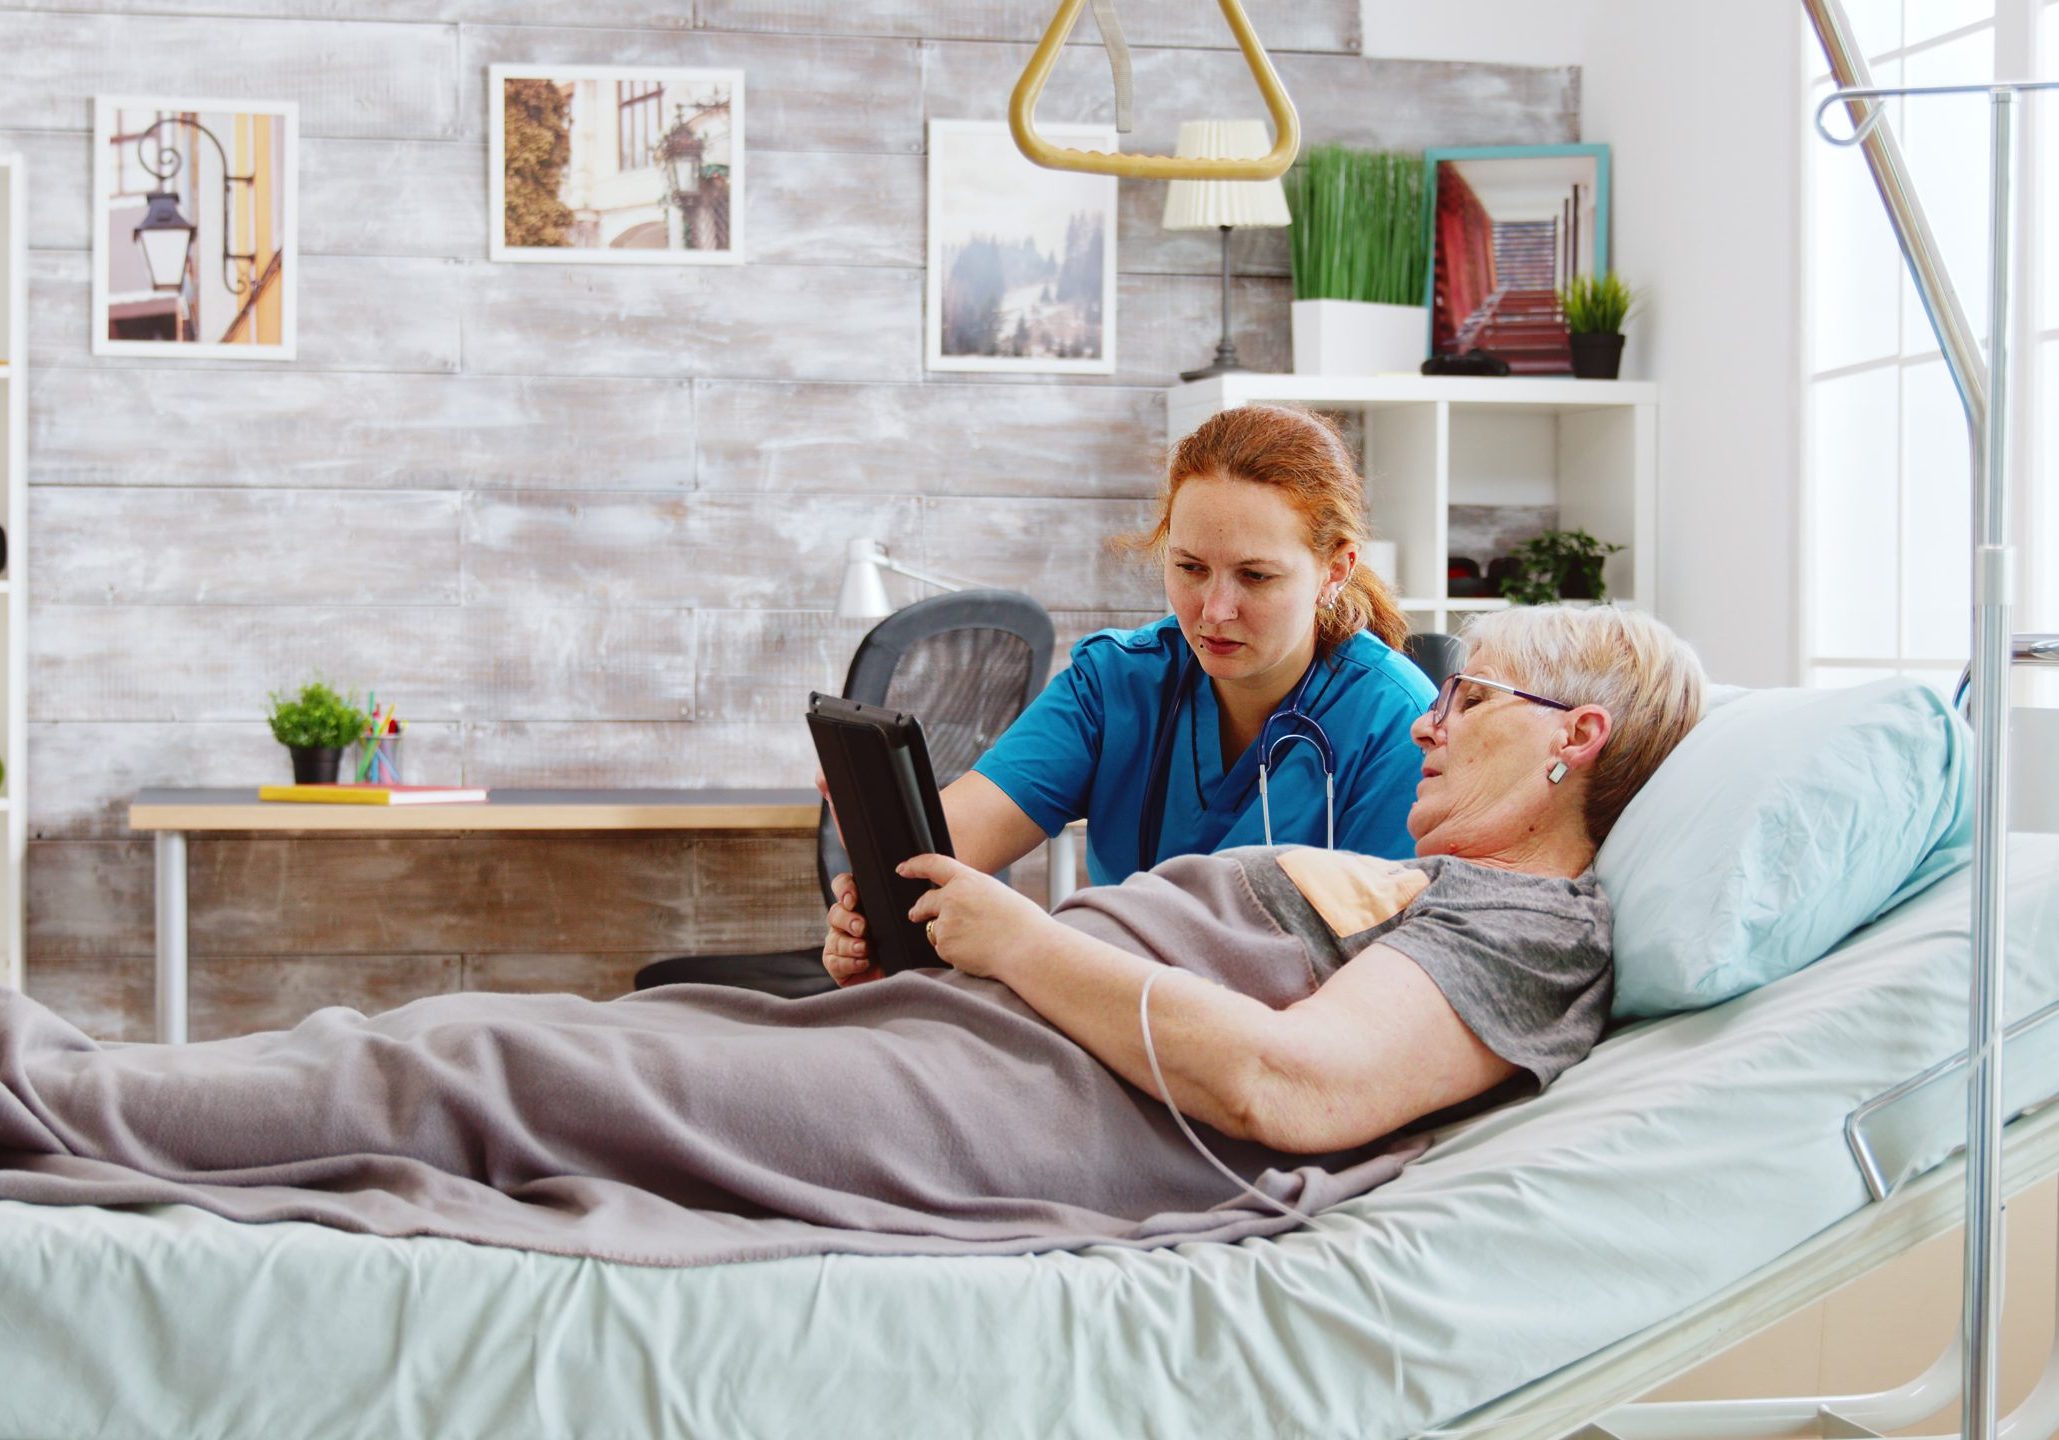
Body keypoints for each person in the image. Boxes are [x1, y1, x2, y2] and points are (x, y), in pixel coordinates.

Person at [0, 605, 1703, 1268]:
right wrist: (940, 944)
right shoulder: (1418, 876)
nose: (1422, 722)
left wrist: (1014, 947)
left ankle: (45, 1093)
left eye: (1467, 699)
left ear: (1569, 740)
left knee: (484, 1061)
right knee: (494, 1052)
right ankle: (63, 1087)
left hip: (1028, 1109)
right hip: (966, 1047)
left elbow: (1289, 1088)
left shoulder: (1528, 924)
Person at [824, 403, 1437, 985]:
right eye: (1190, 568)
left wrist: (1028, 948)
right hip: (1106, 1019)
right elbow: (946, 850)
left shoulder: (1397, 723)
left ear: (1336, 569)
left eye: (1255, 576)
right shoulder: (1117, 681)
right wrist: (881, 868)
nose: (1213, 611)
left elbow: (1376, 983)